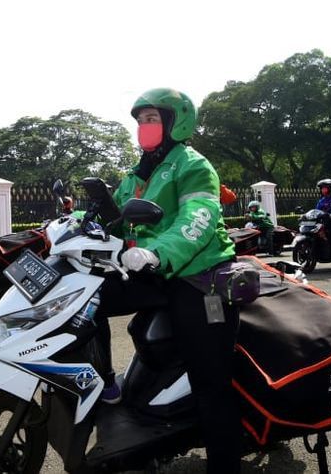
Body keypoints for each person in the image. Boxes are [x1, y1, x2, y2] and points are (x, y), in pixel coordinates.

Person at [92, 88, 240, 474]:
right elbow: (117, 219)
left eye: (152, 119)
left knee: (211, 382)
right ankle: (105, 385)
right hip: (151, 272)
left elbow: (198, 218)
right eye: (140, 121)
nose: (144, 127)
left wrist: (157, 251)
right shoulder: (139, 173)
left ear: (176, 122)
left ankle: (225, 466)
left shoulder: (192, 165)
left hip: (197, 276)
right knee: (87, 299)